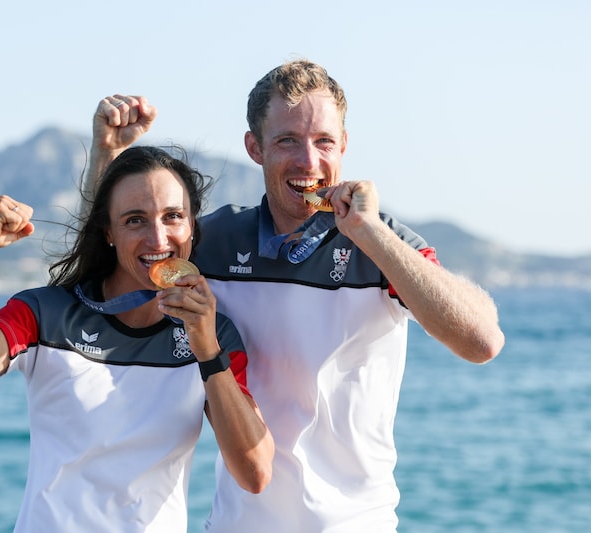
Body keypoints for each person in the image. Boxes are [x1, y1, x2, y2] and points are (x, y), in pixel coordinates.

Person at [83, 60, 505, 532]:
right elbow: (113, 263)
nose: (308, 161)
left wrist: (370, 235)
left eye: (324, 141)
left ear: (343, 146)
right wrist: (107, 157)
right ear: (254, 148)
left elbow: (482, 341)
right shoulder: (217, 241)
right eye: (287, 141)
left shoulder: (379, 242)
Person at [0, 146, 274, 532]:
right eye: (135, 220)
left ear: (193, 227)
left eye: (173, 217)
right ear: (108, 233)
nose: (158, 237)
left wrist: (208, 352)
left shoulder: (213, 334)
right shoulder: (47, 315)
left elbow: (255, 473)